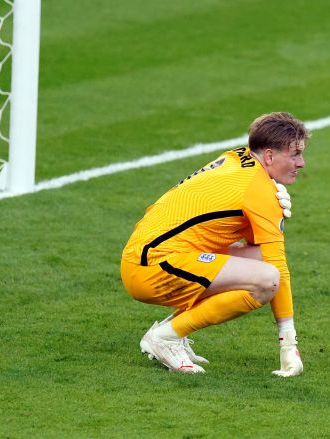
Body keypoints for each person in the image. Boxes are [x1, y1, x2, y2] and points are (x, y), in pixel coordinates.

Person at [120, 112, 308, 375]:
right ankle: (166, 337)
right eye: (295, 155)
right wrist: (288, 344)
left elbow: (259, 248)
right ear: (268, 156)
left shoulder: (236, 157)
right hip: (152, 267)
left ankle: (172, 333)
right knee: (268, 280)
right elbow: (278, 267)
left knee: (260, 260)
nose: (301, 163)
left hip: (146, 253)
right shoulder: (260, 191)